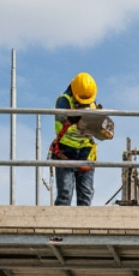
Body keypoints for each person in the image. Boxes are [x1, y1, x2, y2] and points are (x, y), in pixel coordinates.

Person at [52, 72, 100, 206]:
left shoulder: (92, 103)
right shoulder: (64, 101)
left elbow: (96, 130)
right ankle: (60, 226)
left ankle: (83, 227)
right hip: (65, 152)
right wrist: (80, 126)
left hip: (86, 154)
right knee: (65, 194)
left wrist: (100, 130)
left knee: (86, 195)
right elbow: (59, 128)